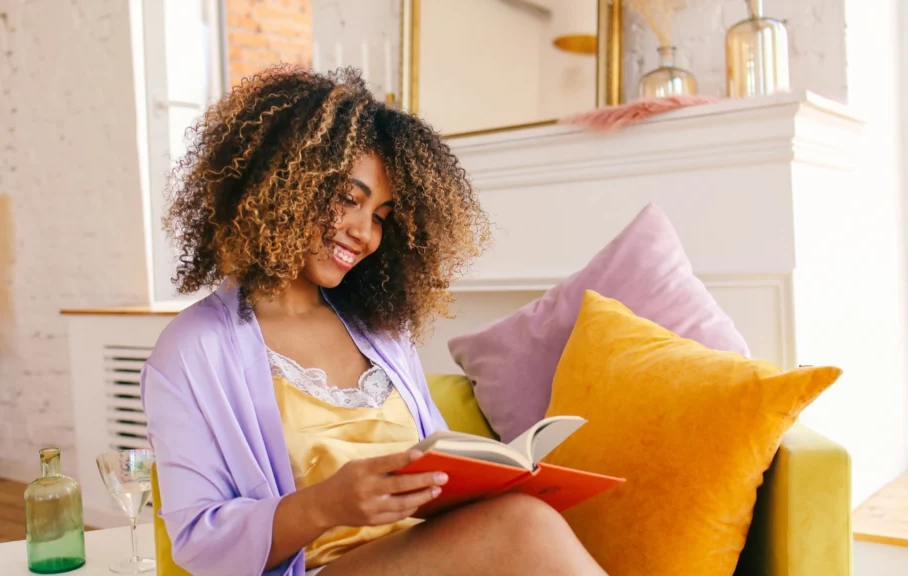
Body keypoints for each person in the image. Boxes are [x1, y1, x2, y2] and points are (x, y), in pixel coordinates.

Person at [140, 65, 606, 576]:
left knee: (523, 516)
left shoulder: (383, 333)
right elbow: (196, 543)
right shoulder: (192, 350)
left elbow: (442, 467)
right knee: (524, 525)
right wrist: (325, 505)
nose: (364, 233)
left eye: (382, 215)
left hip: (429, 558)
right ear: (282, 186)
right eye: (348, 199)